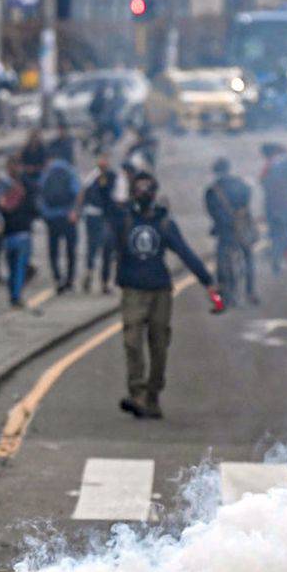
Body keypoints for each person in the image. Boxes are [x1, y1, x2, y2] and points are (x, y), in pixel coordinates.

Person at [112, 172, 217, 419]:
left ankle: (152, 395)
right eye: (139, 189)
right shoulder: (124, 220)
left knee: (159, 345)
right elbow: (109, 245)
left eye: (148, 189)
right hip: (133, 290)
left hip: (160, 290)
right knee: (132, 341)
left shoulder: (164, 223)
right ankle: (137, 392)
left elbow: (185, 252)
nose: (144, 194)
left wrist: (208, 282)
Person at [205, 157, 258, 307]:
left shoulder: (212, 190)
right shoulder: (242, 184)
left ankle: (225, 293)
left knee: (222, 261)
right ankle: (250, 291)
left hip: (224, 231)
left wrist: (221, 222)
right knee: (248, 259)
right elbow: (247, 203)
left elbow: (211, 211)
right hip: (242, 228)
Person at [0, 157, 37, 308]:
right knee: (18, 267)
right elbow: (34, 207)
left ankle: (14, 295)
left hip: (10, 231)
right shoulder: (25, 186)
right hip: (20, 231)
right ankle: (16, 296)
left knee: (13, 267)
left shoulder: (2, 186)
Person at [39, 154, 81, 294]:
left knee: (53, 251)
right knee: (71, 251)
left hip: (52, 217)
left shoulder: (47, 173)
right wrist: (75, 211)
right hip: (68, 216)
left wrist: (45, 214)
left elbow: (41, 194)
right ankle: (70, 280)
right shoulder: (69, 171)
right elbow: (78, 192)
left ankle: (58, 277)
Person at [79, 155, 119, 294]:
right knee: (99, 247)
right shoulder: (95, 176)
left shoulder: (106, 176)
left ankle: (101, 280)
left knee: (102, 249)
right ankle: (94, 275)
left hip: (101, 216)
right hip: (98, 216)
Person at [260, 143, 287, 275]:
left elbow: (263, 184)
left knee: (276, 237)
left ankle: (277, 266)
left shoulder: (270, 172)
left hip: (274, 210)